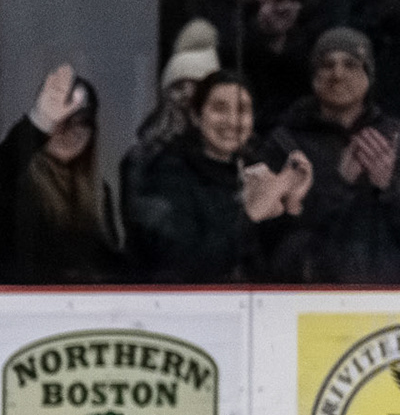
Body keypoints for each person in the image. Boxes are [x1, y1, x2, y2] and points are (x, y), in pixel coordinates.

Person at [127, 70, 313, 281]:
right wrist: (250, 215)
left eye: (242, 110)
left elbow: (284, 268)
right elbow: (180, 262)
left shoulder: (254, 171)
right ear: (196, 116)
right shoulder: (167, 173)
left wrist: (291, 204)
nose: (232, 121)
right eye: (219, 109)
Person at [268, 26, 400, 281]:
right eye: (327, 65)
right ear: (313, 76)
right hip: (313, 299)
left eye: (350, 64)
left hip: (390, 299)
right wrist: (338, 188)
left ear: (369, 75)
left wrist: (391, 190)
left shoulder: (395, 139)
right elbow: (276, 239)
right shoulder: (285, 144)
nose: (337, 74)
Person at [0, 64, 121, 284]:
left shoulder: (97, 192)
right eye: (61, 122)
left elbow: (107, 262)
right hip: (26, 307)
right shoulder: (15, 177)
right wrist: (38, 125)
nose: (71, 132)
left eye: (82, 124)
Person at [123, 19, 223, 214]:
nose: (186, 96)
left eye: (196, 87)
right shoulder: (144, 157)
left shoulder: (237, 152)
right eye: (178, 87)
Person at [244, 0, 319, 131]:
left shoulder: (311, 22)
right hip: (254, 117)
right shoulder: (246, 14)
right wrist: (262, 32)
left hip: (300, 121)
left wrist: (283, 37)